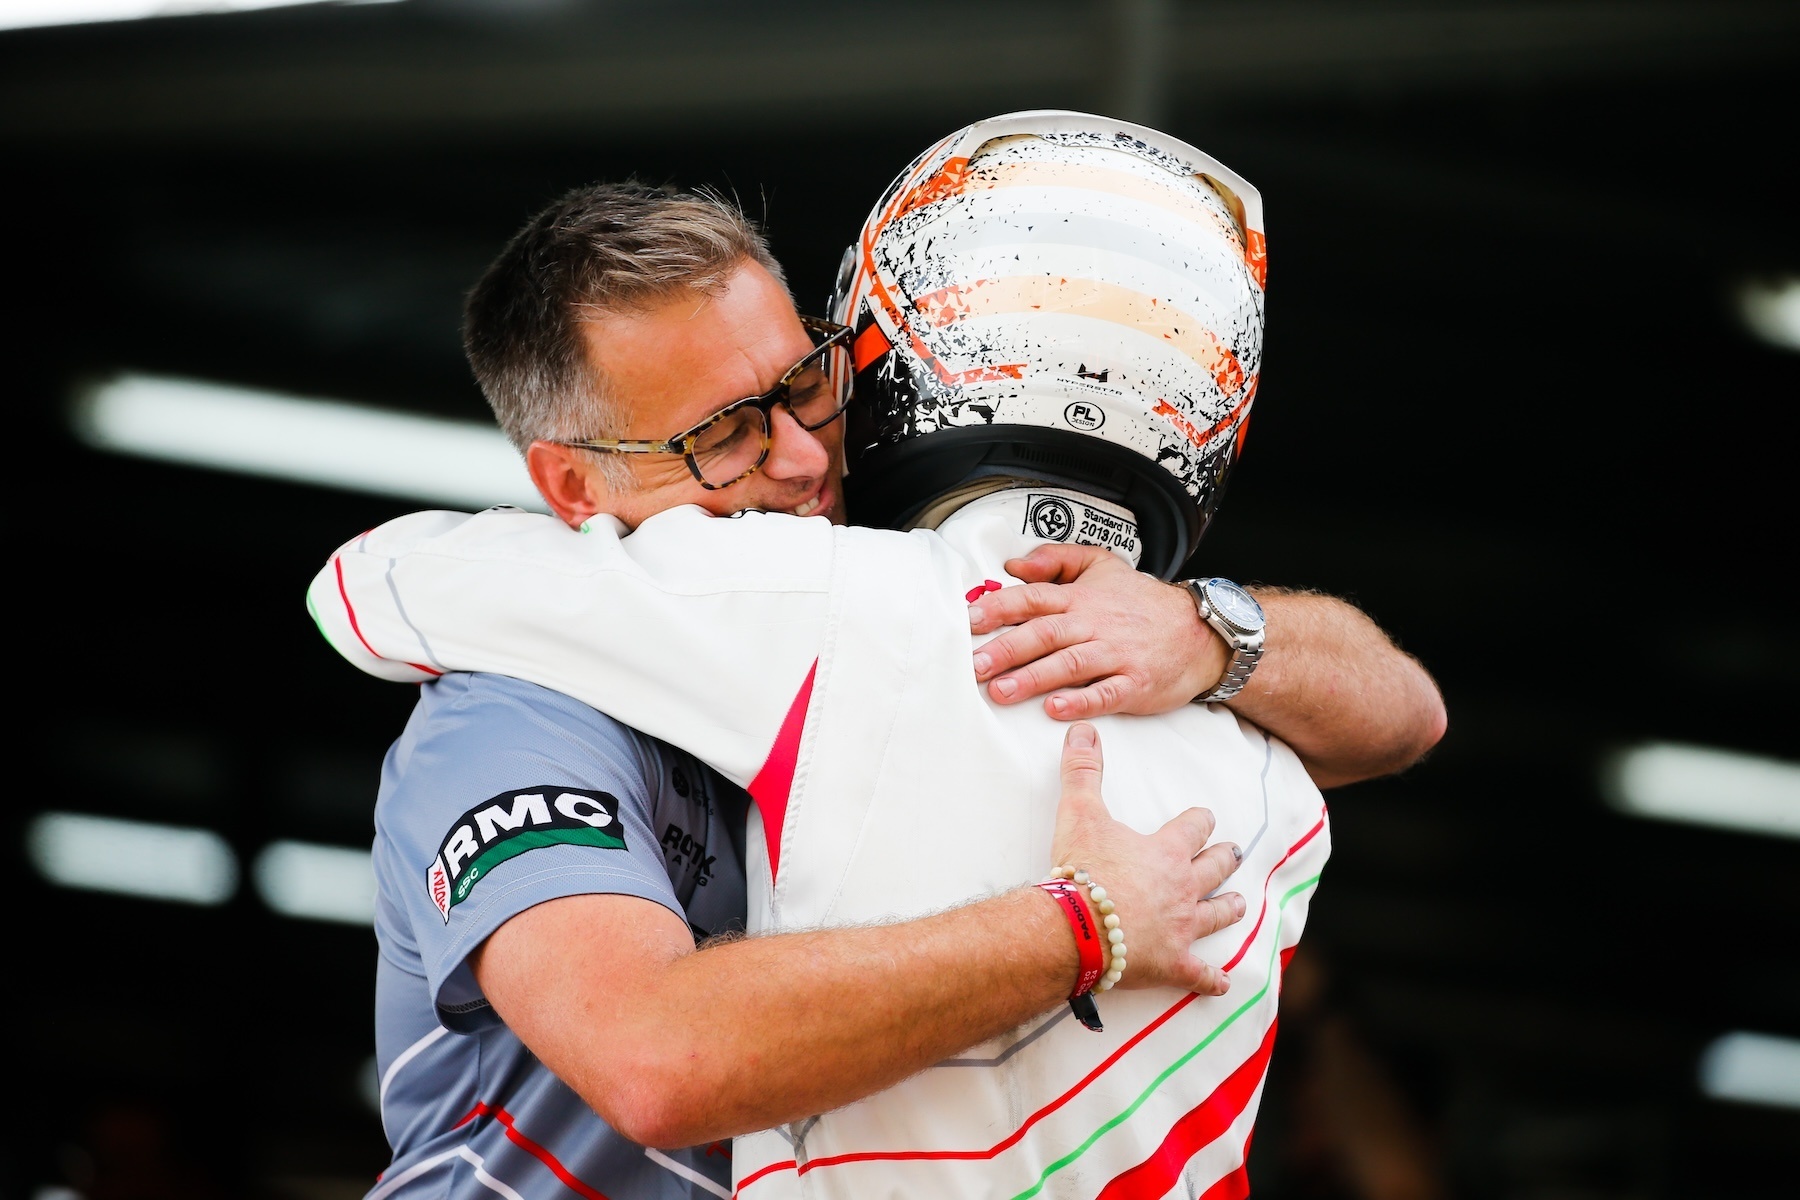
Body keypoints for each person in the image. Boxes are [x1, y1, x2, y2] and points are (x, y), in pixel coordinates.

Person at [307, 115, 1445, 1199]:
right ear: (570, 486)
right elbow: (655, 1060)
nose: (804, 458)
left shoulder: (897, 601)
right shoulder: (512, 718)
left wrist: (1205, 631)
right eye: (725, 435)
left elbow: (1400, 715)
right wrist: (1083, 926)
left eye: (808, 384)